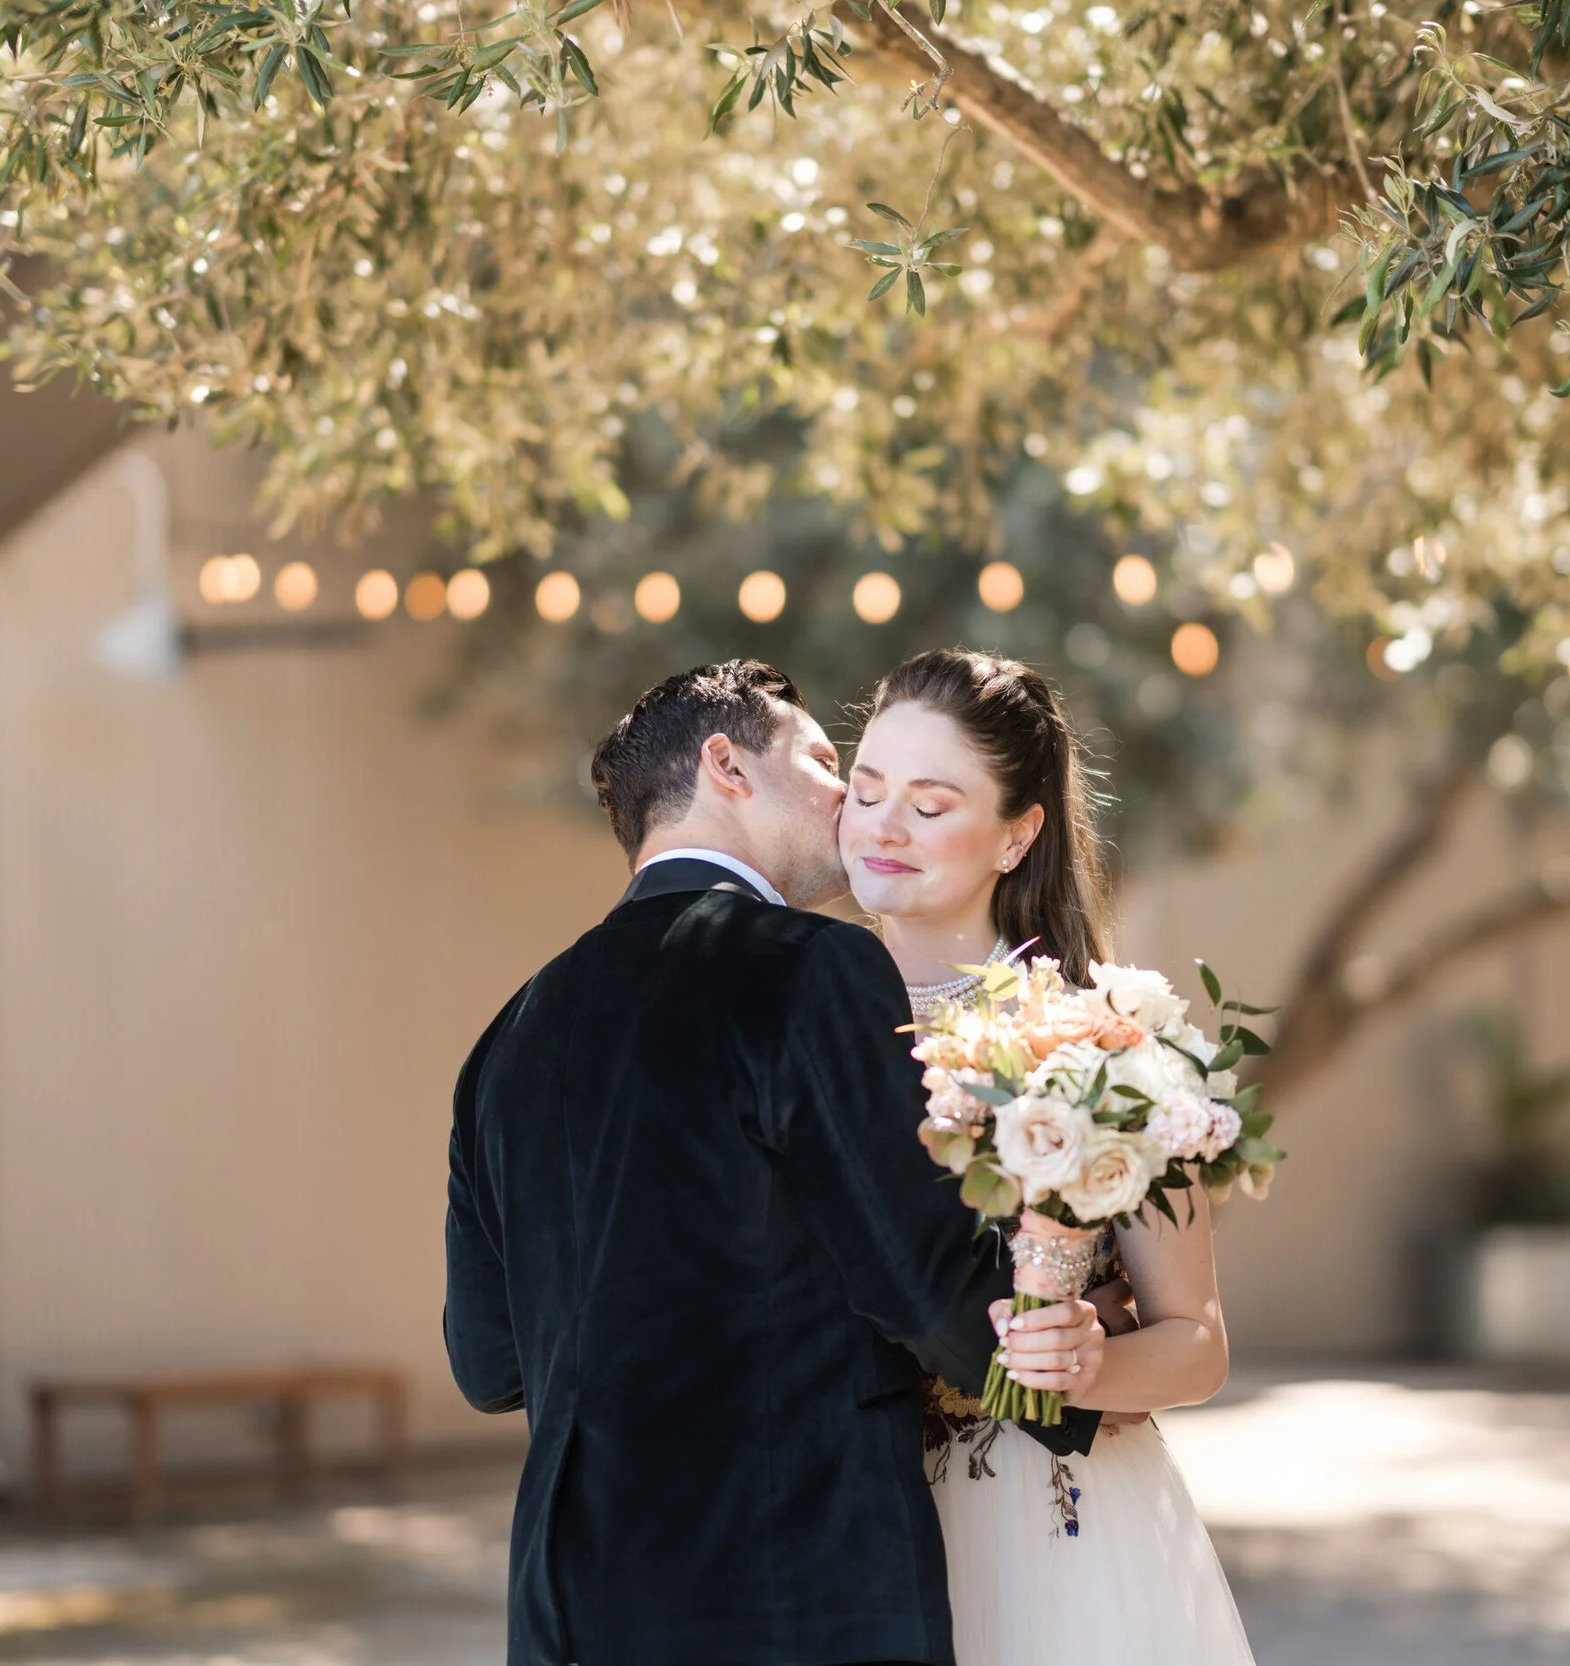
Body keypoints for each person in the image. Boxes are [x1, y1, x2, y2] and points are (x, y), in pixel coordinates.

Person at [444, 659, 1106, 1666]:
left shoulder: (507, 1038)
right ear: (727, 766)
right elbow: (924, 1292)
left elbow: (488, 1365)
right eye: (825, 761)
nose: (849, 798)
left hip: (564, 1605)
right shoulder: (809, 966)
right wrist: (1080, 1387)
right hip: (789, 1592)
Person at [842, 648, 1258, 1666]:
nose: (882, 827)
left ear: (1018, 832)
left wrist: (1087, 1360)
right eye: (864, 788)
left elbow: (1195, 1342)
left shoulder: (1103, 1038)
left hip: (1051, 1534)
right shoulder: (794, 1026)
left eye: (931, 806)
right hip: (841, 1526)